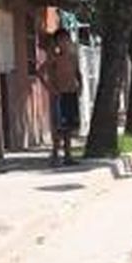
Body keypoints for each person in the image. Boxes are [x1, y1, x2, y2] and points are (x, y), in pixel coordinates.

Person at [39, 27, 82, 165]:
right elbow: (40, 72)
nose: (64, 43)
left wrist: (80, 87)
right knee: (58, 127)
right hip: (60, 95)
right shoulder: (54, 58)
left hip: (71, 93)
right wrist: (50, 88)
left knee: (69, 127)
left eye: (66, 39)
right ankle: (55, 155)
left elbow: (78, 73)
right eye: (60, 40)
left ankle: (68, 156)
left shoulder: (73, 57)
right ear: (57, 43)